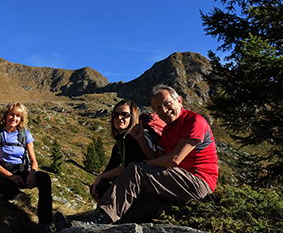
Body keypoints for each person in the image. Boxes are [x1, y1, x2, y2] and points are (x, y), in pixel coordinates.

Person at [89, 84, 218, 224]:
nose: (164, 110)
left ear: (179, 100)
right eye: (158, 108)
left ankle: (101, 218)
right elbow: (156, 159)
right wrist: (141, 139)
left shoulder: (194, 121)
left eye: (167, 104)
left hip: (198, 183)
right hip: (175, 182)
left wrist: (144, 164)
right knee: (139, 204)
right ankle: (105, 226)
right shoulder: (167, 130)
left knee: (136, 170)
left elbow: (174, 159)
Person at [0, 102, 54, 233]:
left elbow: (34, 160)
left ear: (21, 119)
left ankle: (45, 223)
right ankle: (14, 198)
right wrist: (10, 176)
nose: (14, 118)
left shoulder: (25, 134)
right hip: (4, 173)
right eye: (12, 114)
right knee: (6, 185)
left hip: (23, 171)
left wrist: (32, 173)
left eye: (18, 116)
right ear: (6, 115)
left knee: (45, 179)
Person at [90, 100, 149, 202]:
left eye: (124, 115)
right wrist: (99, 181)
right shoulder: (119, 144)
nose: (119, 118)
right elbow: (110, 168)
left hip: (143, 183)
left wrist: (102, 176)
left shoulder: (136, 139)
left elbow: (131, 166)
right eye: (115, 115)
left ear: (132, 117)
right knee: (99, 186)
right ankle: (103, 213)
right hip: (129, 183)